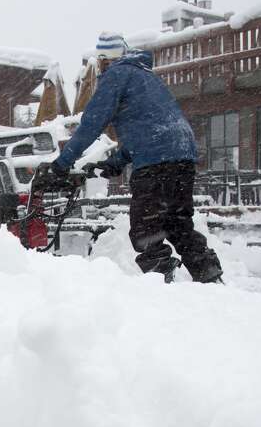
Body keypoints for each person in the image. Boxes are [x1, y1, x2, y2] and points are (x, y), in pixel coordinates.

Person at [36, 32, 223, 284]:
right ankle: (210, 276)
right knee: (178, 222)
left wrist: (61, 164)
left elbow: (91, 124)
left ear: (103, 60)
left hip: (156, 162)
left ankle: (164, 283)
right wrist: (115, 163)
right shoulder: (145, 75)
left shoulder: (117, 74)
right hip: (183, 154)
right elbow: (148, 130)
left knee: (146, 229)